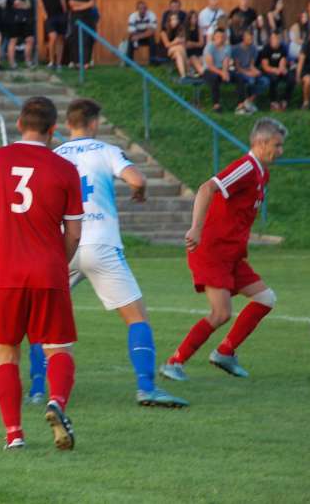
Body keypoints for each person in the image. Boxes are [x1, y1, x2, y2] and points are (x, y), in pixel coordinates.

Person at [0, 96, 83, 451]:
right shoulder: (64, 169)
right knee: (58, 348)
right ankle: (56, 400)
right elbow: (73, 232)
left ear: (18, 125)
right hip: (47, 270)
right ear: (53, 130)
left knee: (6, 351)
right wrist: (60, 261)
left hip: (4, 272)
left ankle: (14, 434)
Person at [51, 99, 188, 408]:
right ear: (94, 122)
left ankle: (37, 390)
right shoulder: (105, 150)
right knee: (137, 317)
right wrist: (140, 192)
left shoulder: (55, 155)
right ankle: (146, 388)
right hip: (101, 244)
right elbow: (137, 179)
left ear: (68, 123)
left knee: (47, 319)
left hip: (65, 246)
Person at [160, 118, 286, 382]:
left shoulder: (263, 173)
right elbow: (207, 188)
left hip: (232, 255)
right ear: (261, 143)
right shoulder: (246, 167)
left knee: (266, 298)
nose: (281, 151)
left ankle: (225, 352)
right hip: (212, 251)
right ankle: (174, 362)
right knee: (221, 313)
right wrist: (196, 228)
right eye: (277, 145)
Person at [37, 0, 67, 70]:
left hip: (60, 14)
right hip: (49, 15)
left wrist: (65, 12)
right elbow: (39, 0)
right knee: (53, 36)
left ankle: (59, 63)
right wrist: (44, 14)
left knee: (60, 38)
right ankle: (51, 61)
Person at [232, 30, 268, 115]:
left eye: (251, 38)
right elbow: (238, 68)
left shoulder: (253, 49)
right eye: (249, 38)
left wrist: (256, 72)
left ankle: (248, 101)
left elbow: (251, 65)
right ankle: (245, 105)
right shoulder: (236, 49)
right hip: (239, 72)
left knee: (265, 81)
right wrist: (248, 74)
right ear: (244, 38)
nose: (251, 40)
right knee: (251, 80)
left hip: (249, 71)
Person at [67, 0, 96, 69]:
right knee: (75, 39)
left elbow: (92, 4)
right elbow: (71, 3)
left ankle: (86, 63)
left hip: (88, 18)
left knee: (87, 39)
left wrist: (79, 7)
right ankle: (76, 62)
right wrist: (86, 4)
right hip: (75, 18)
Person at [4, 0, 34, 69]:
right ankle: (12, 63)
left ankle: (28, 61)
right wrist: (23, 4)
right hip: (13, 19)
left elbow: (28, 4)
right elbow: (17, 3)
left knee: (30, 39)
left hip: (24, 18)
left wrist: (23, 5)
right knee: (13, 40)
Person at [258, 31, 294, 111]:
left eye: (278, 38)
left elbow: (283, 61)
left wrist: (282, 69)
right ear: (270, 39)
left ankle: (285, 100)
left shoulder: (283, 48)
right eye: (274, 38)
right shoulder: (266, 49)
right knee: (274, 78)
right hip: (269, 70)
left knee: (291, 78)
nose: (276, 40)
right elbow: (265, 66)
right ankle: (273, 101)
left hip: (279, 69)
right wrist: (275, 70)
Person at [202, 29, 233, 113]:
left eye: (222, 37)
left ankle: (241, 104)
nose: (220, 38)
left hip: (221, 69)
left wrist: (225, 72)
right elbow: (210, 66)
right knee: (214, 78)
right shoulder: (209, 47)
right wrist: (221, 73)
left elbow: (226, 61)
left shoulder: (227, 47)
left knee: (238, 77)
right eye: (218, 36)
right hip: (209, 70)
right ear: (214, 37)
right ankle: (216, 105)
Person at [161, 11, 188, 79]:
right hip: (165, 51)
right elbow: (166, 45)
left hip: (177, 51)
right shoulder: (163, 31)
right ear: (169, 21)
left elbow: (184, 43)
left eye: (176, 19)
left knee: (178, 53)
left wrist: (179, 42)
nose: (174, 21)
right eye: (172, 19)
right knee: (179, 47)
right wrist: (175, 41)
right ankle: (188, 69)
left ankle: (183, 76)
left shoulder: (181, 29)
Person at [185, 10, 205, 76]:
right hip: (189, 53)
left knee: (202, 60)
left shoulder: (199, 29)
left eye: (195, 18)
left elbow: (201, 43)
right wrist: (195, 44)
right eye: (192, 18)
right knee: (193, 59)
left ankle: (201, 72)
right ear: (189, 19)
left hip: (198, 51)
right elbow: (185, 45)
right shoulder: (185, 29)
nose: (194, 20)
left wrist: (192, 44)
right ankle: (202, 73)